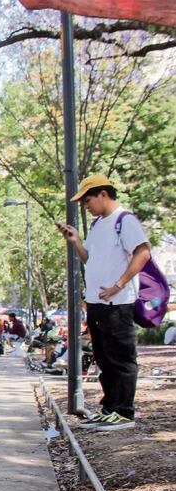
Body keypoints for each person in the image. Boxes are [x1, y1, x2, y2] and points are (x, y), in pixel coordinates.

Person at [59, 174, 151, 431]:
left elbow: (143, 252)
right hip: (97, 302)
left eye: (87, 200)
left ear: (103, 194)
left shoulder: (125, 220)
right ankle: (109, 408)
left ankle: (123, 411)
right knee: (104, 357)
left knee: (120, 357)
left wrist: (119, 284)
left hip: (118, 303)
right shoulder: (99, 225)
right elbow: (90, 259)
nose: (86, 206)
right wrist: (76, 241)